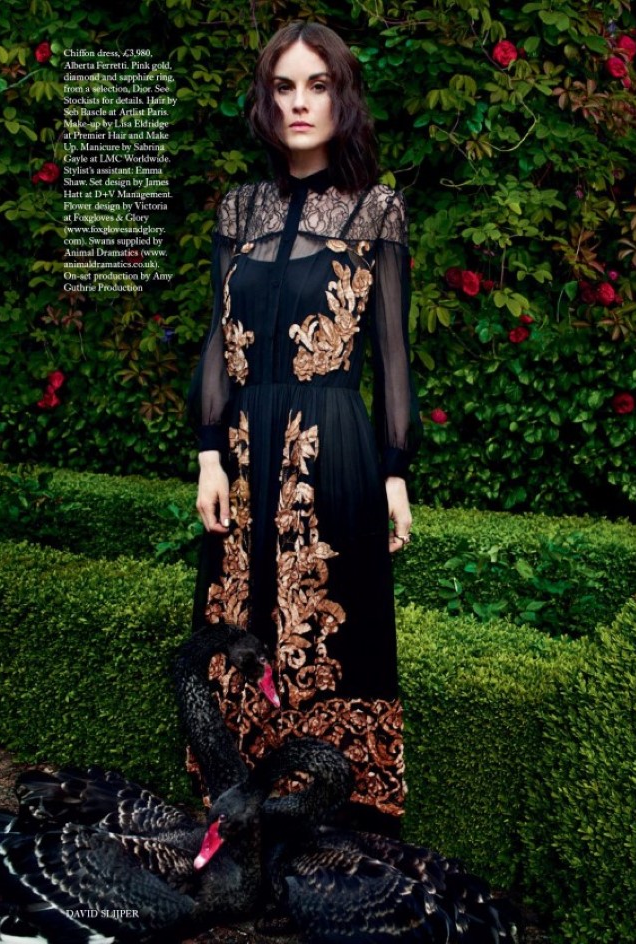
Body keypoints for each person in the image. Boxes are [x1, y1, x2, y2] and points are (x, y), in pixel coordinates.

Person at [188, 21, 420, 834]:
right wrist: (208, 454)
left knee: (335, 630)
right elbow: (217, 340)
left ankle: (340, 827)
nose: (299, 103)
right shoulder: (239, 208)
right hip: (244, 453)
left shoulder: (375, 210)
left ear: (341, 97)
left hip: (335, 449)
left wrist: (395, 470)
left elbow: (392, 354)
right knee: (239, 626)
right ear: (266, 100)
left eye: (317, 86)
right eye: (284, 87)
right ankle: (241, 819)